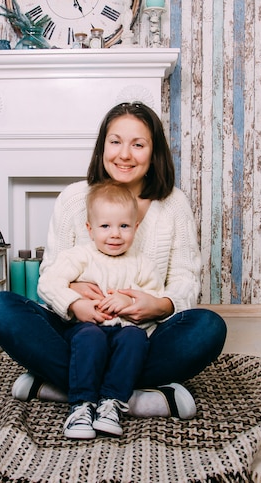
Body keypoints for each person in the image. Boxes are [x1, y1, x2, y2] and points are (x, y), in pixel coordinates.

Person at [0, 101, 227, 434]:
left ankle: (60, 389)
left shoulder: (172, 203)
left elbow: (184, 278)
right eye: (116, 142)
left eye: (138, 144)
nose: (124, 154)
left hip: (140, 336)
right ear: (102, 147)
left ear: (153, 152)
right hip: (80, 332)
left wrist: (156, 304)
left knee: (208, 327)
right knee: (0, 307)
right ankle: (139, 398)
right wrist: (76, 297)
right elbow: (52, 272)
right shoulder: (73, 198)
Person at [37, 180, 166, 439]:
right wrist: (75, 303)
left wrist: (130, 303)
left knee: (135, 338)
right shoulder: (80, 256)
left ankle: (111, 403)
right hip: (85, 328)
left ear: (136, 228)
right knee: (89, 337)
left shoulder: (141, 263)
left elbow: (155, 296)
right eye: (105, 226)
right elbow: (48, 282)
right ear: (90, 229)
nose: (115, 234)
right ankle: (81, 405)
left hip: (123, 331)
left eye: (124, 226)